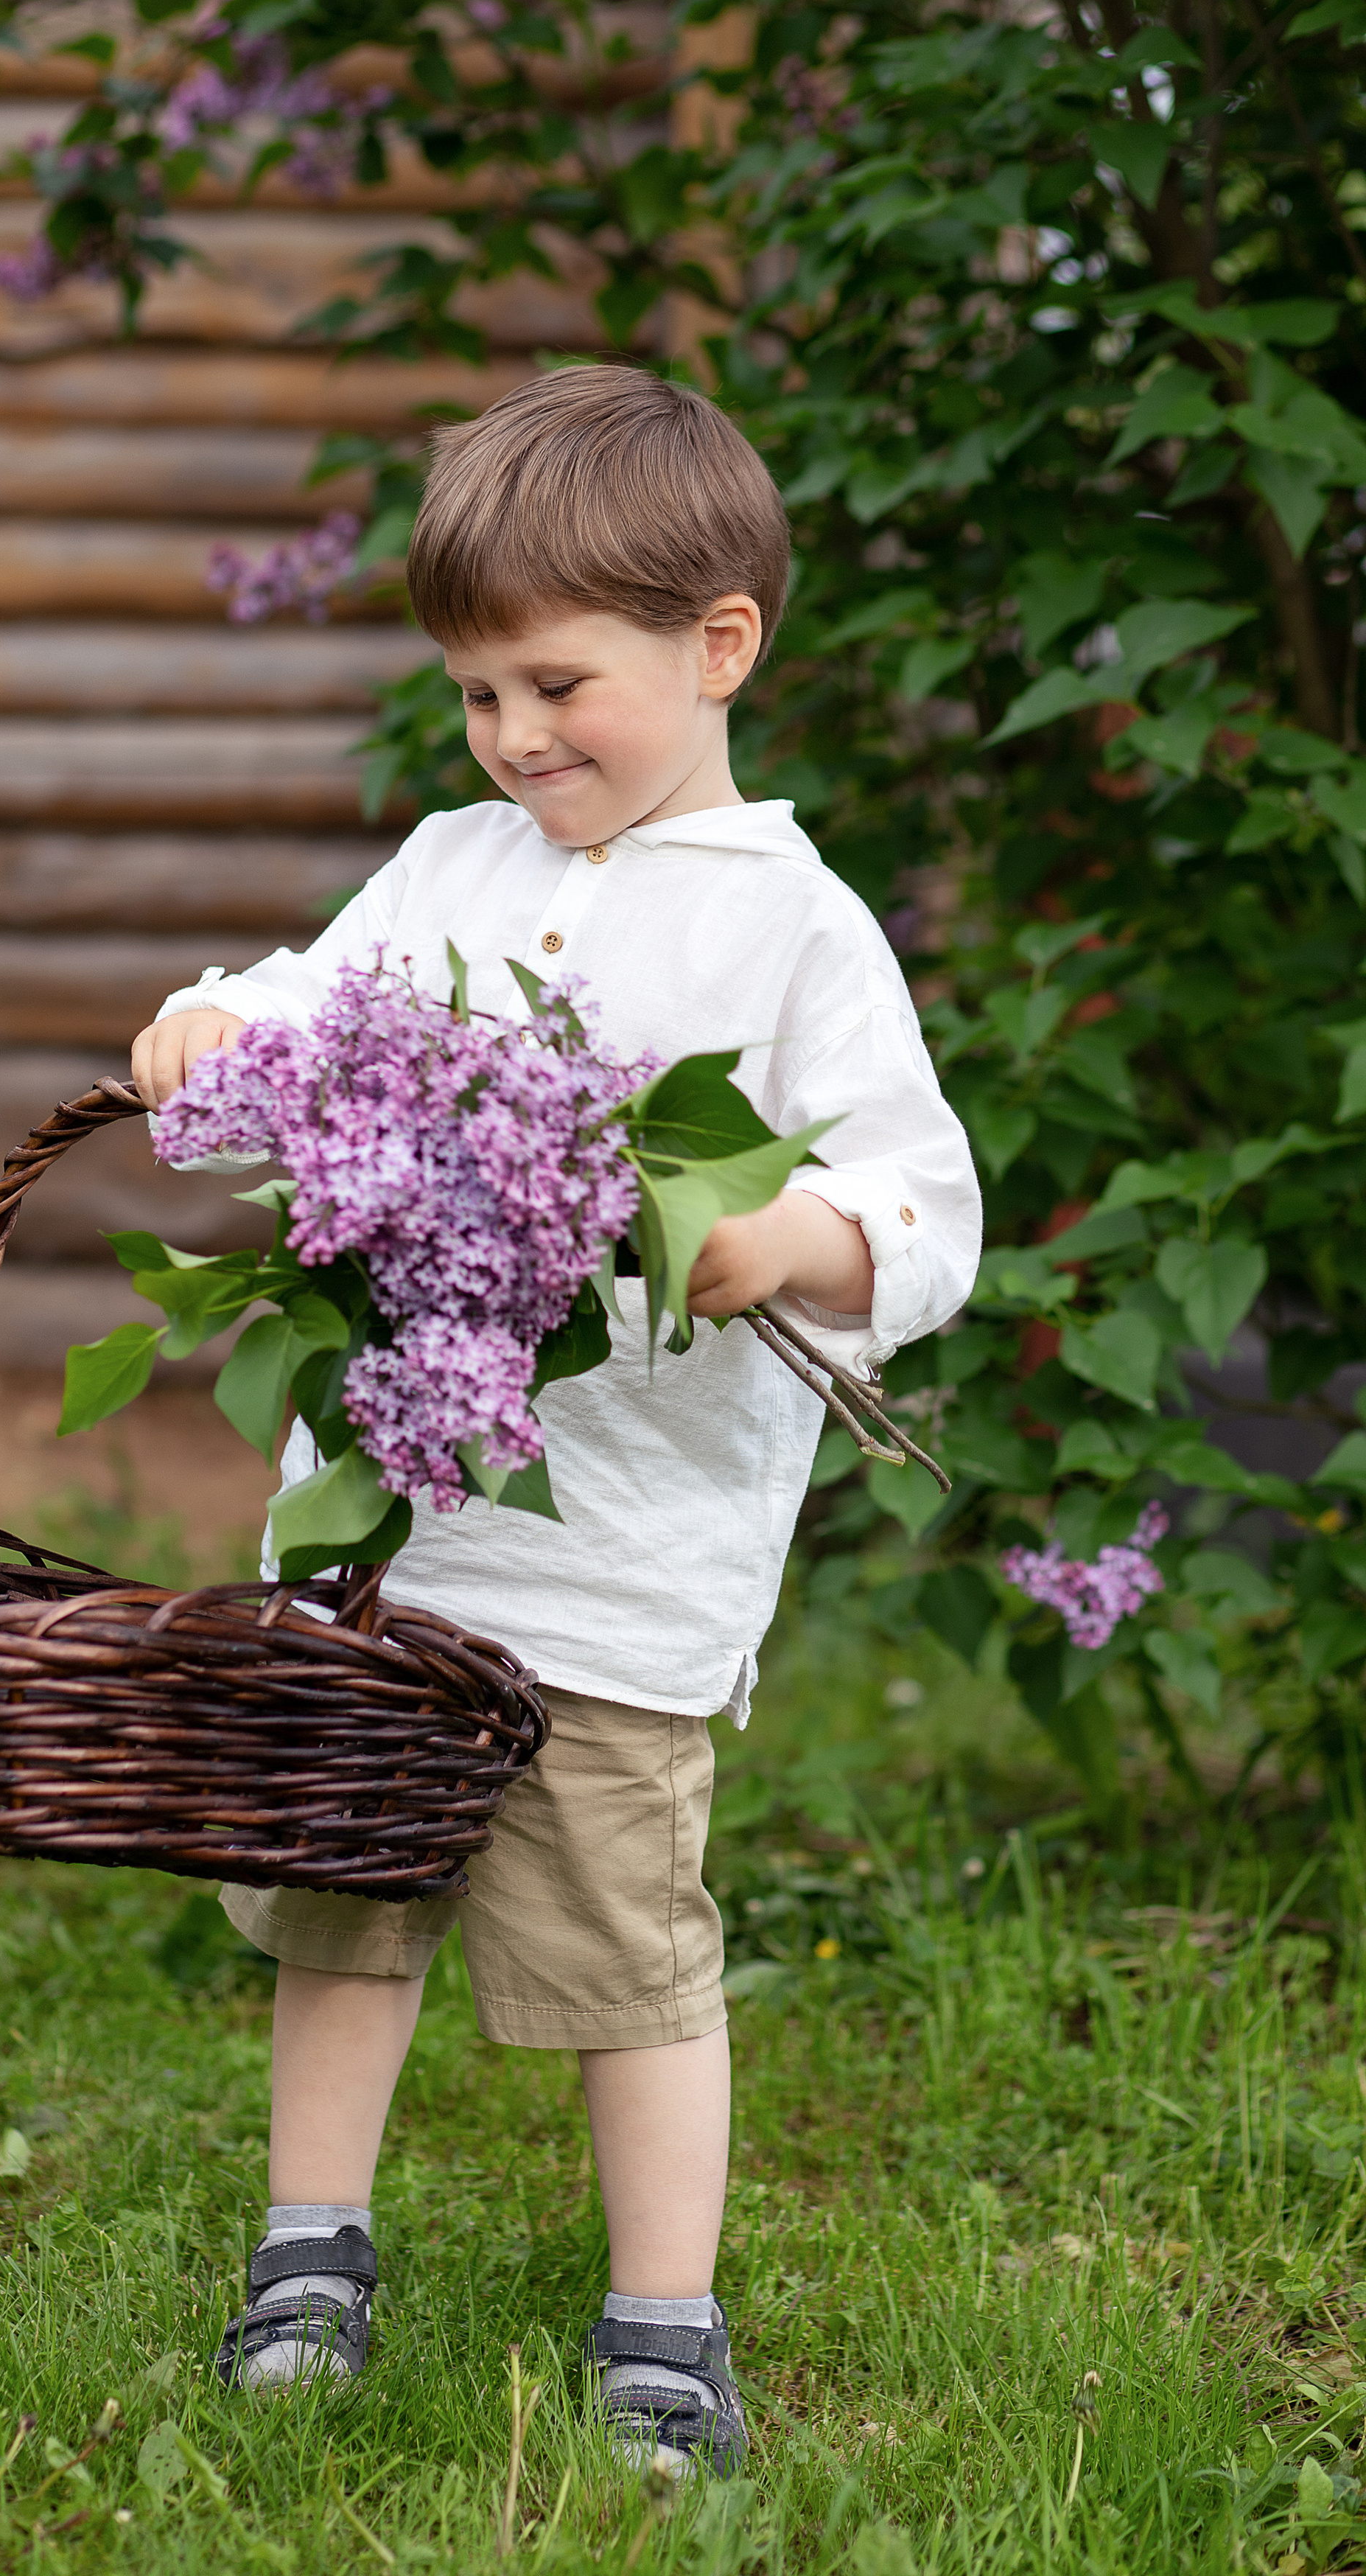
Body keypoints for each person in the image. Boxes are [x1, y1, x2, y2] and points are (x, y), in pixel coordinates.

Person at [130, 362, 981, 2476]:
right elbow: (316, 1001)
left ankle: (663, 2320)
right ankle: (308, 2253)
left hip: (617, 1570)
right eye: (476, 694)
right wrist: (213, 1020)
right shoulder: (447, 863)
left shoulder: (793, 925)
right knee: (342, 1901)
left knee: (625, 1946)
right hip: (389, 1536)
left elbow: (923, 1203)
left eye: (555, 684)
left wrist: (780, 1237)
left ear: (720, 646)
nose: (514, 736)